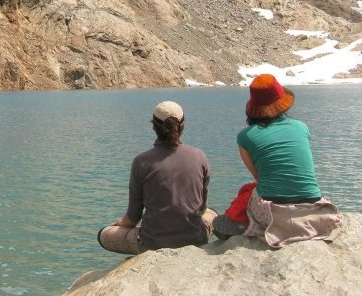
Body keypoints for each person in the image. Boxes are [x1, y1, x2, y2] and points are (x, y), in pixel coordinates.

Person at [213, 73, 341, 246]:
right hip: (312, 208)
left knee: (247, 192)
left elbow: (259, 177)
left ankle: (240, 225)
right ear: (282, 104)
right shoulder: (302, 127)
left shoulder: (245, 137)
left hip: (272, 212)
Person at [98, 101, 215, 255]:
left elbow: (133, 218)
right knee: (212, 213)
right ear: (182, 126)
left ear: (154, 126)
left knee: (103, 234)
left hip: (152, 243)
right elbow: (201, 208)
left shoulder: (141, 161)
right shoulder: (200, 156)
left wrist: (121, 224)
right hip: (195, 239)